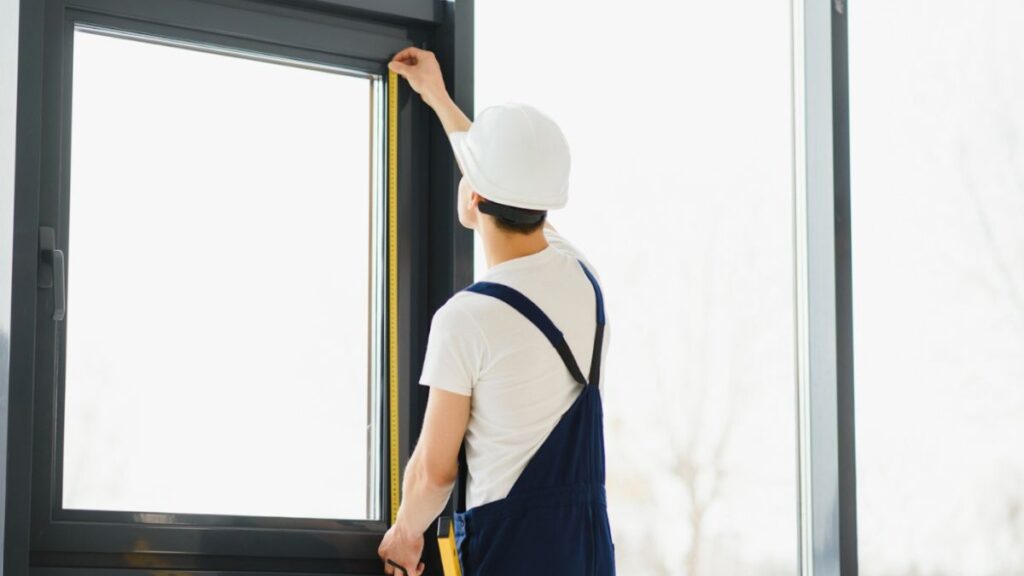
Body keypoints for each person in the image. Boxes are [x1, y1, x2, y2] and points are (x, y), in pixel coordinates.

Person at [377, 47, 615, 576]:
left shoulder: (467, 319)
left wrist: (403, 534)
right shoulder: (584, 276)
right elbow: (512, 182)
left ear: (473, 194)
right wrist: (438, 99)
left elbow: (433, 475)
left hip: (513, 554)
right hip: (588, 554)